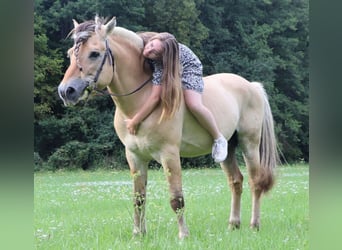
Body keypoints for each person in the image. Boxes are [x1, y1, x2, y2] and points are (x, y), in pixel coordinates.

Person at [125, 32, 228, 163]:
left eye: (154, 52)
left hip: (189, 69)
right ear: (151, 39)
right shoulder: (147, 42)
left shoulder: (162, 64)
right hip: (170, 61)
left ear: (161, 56)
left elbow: (155, 97)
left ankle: (219, 138)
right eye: (151, 45)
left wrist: (135, 120)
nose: (148, 50)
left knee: (193, 104)